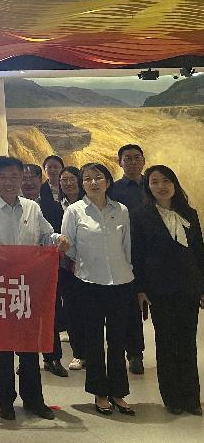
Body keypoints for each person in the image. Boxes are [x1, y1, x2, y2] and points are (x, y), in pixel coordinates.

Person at [0, 155, 69, 421]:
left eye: (15, 176)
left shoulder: (32, 208)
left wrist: (59, 238)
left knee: (29, 346)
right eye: (3, 177)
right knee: (1, 347)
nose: (10, 182)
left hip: (29, 286)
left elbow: (46, 235)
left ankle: (34, 400)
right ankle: (4, 401)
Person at [61, 162, 135, 416]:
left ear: (108, 181)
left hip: (121, 282)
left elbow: (127, 246)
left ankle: (118, 392)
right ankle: (99, 392)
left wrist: (130, 273)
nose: (93, 182)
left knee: (117, 341)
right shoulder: (74, 211)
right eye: (88, 178)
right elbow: (69, 248)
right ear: (82, 184)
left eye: (98, 177)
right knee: (93, 341)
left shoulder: (121, 210)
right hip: (89, 284)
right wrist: (83, 263)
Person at [133, 165, 204, 415]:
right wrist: (140, 288)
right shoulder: (141, 216)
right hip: (159, 289)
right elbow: (137, 255)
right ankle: (172, 398)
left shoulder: (189, 214)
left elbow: (199, 252)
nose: (161, 186)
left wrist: (202, 287)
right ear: (148, 187)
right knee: (165, 342)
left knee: (187, 342)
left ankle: (191, 398)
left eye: (166, 181)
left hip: (188, 287)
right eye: (155, 182)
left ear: (174, 184)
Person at [21, 164, 67, 378]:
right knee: (23, 315)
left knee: (50, 314)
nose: (28, 182)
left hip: (47, 270)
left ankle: (52, 357)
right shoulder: (14, 206)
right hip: (20, 272)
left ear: (41, 180)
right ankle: (26, 359)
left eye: (33, 177)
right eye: (24, 178)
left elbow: (56, 235)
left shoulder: (53, 207)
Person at [108, 144, 147, 375]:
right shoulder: (113, 190)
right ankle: (135, 353)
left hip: (153, 256)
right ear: (120, 162)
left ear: (143, 161)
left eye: (136, 158)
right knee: (131, 308)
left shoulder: (153, 185)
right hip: (127, 255)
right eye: (128, 158)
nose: (132, 162)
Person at [58, 166, 86, 371]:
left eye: (71, 179)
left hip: (90, 265)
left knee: (90, 311)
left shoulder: (90, 204)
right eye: (64, 180)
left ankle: (93, 352)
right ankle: (79, 353)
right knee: (73, 310)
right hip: (66, 267)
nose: (68, 183)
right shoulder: (55, 206)